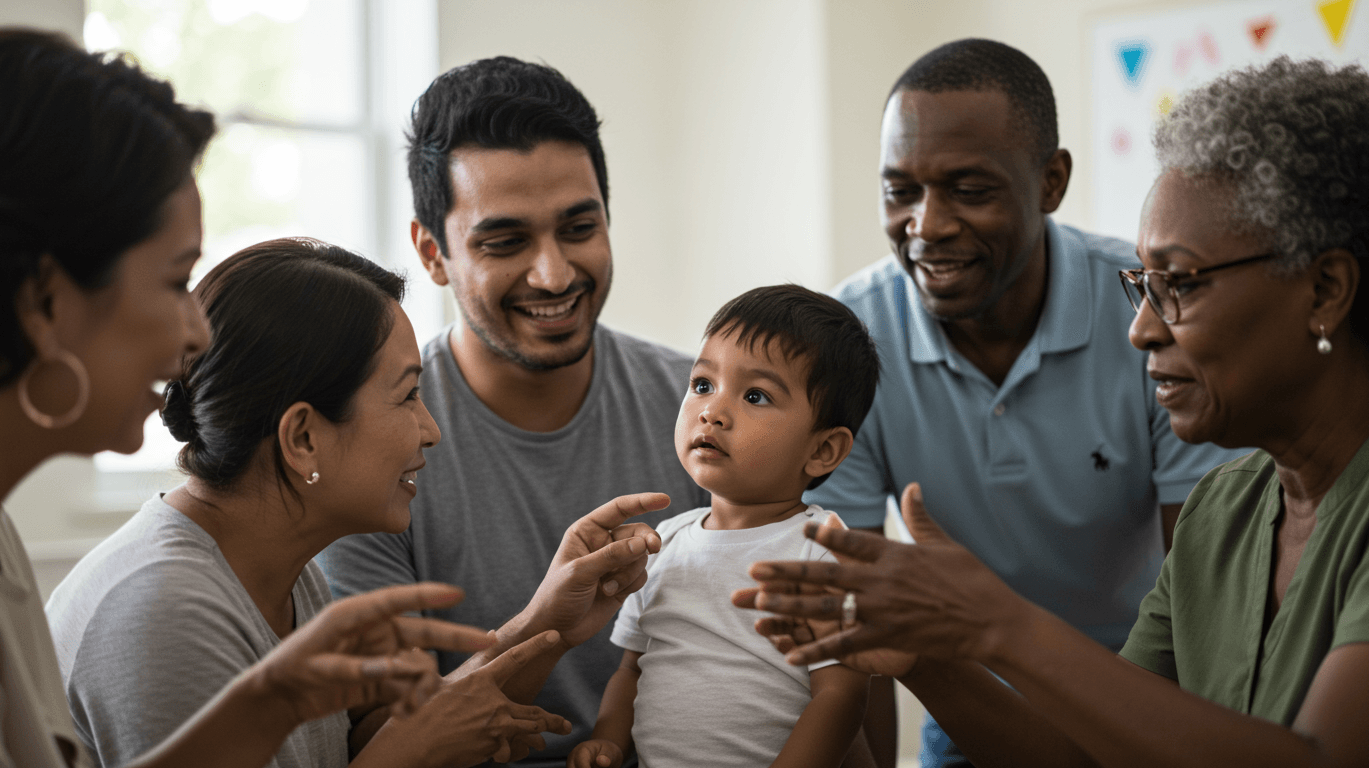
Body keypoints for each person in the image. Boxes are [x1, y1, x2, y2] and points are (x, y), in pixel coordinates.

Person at [742, 56, 1369, 767]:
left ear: (1324, 290)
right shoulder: (1224, 514)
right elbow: (1095, 756)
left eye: (1182, 285)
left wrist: (998, 625)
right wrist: (924, 658)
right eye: (1145, 284)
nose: (1141, 330)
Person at [0, 28, 500, 768]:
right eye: (174, 280)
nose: (193, 334)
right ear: (45, 299)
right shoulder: (157, 604)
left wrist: (274, 701)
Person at [799, 38, 1245, 767]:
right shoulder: (847, 340)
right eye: (899, 190)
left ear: (1051, 181)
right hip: (974, 696)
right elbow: (859, 628)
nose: (927, 226)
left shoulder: (1149, 315)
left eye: (969, 190)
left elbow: (1207, 600)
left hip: (1143, 686)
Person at [46, 238, 580, 768]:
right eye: (407, 396)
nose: (431, 430)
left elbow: (343, 749)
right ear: (302, 439)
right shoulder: (166, 615)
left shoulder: (286, 572)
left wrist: (543, 623)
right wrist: (412, 755)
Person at [316, 56, 709, 766]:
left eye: (579, 228)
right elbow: (379, 745)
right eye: (505, 242)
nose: (554, 274)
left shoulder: (702, 408)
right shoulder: (363, 444)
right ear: (432, 253)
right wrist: (540, 627)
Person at [569, 285, 880, 768]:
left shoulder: (822, 553)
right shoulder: (663, 543)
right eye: (702, 385)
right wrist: (609, 739)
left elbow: (840, 695)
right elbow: (631, 670)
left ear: (823, 451)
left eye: (755, 395)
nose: (712, 410)